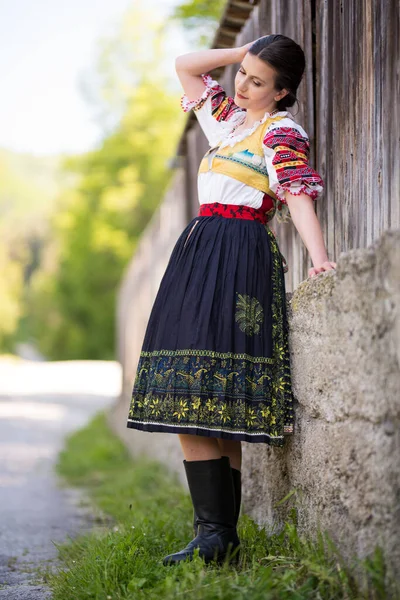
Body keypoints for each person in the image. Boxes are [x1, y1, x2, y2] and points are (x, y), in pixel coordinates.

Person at [126, 34, 336, 567]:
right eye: (244, 75)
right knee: (196, 389)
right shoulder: (228, 120)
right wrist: (241, 53)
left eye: (258, 81)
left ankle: (217, 536)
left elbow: (296, 192)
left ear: (282, 91)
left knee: (209, 393)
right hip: (199, 255)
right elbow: (184, 64)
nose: (242, 85)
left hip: (240, 258)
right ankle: (216, 537)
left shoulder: (281, 131)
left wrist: (320, 258)